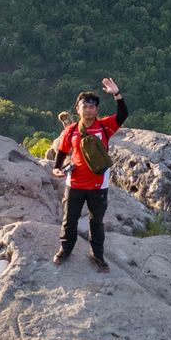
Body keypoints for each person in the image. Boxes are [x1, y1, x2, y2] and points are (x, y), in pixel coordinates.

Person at [51, 77, 128, 272]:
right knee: (70, 219)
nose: (88, 110)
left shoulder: (105, 126)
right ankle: (65, 250)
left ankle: (98, 255)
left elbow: (123, 115)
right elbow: (61, 153)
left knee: (97, 222)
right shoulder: (71, 131)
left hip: (98, 184)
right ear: (78, 109)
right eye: (84, 106)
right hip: (75, 183)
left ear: (96, 110)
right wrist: (56, 168)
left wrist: (117, 94)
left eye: (92, 107)